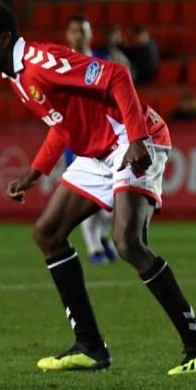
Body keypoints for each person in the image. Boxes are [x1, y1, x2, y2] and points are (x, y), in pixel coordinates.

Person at [0, 2, 196, 375]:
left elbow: (116, 75)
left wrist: (136, 138)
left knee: (128, 243)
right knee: (48, 233)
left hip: (129, 139)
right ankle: (89, 346)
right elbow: (62, 123)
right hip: (96, 151)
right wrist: (35, 173)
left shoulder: (39, 61)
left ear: (4, 40)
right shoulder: (16, 75)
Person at [63, 14, 117, 264]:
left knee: (114, 198)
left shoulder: (103, 61)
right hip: (77, 138)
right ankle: (95, 248)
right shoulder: (61, 64)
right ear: (68, 35)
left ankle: (103, 234)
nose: (79, 35)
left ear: (91, 34)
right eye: (74, 31)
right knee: (85, 195)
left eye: (83, 30)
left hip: (107, 138)